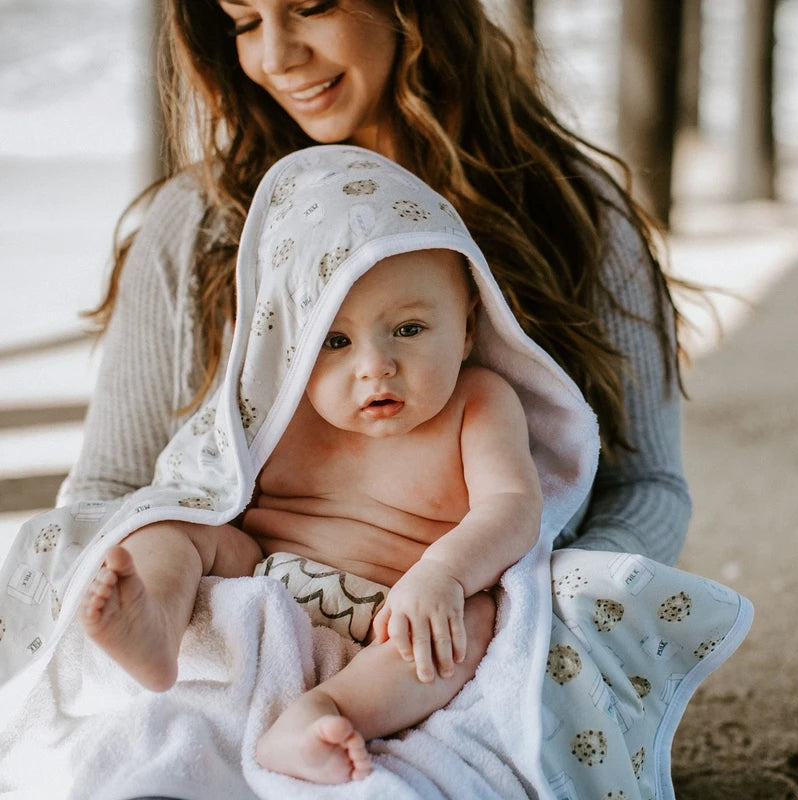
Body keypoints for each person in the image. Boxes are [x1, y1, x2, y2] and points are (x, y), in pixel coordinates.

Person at [60, 0, 691, 572]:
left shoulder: (571, 207)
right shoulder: (196, 224)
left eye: (311, 7)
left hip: (472, 630)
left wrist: (549, 602)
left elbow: (647, 484)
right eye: (245, 23)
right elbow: (108, 488)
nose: (276, 57)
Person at [81, 234, 543, 784]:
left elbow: (513, 505)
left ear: (468, 328)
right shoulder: (279, 403)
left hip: (394, 609)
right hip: (264, 570)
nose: (376, 366)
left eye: (409, 330)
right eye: (335, 340)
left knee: (475, 621)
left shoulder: (479, 401)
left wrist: (442, 573)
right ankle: (156, 621)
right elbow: (208, 487)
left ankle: (327, 712)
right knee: (170, 527)